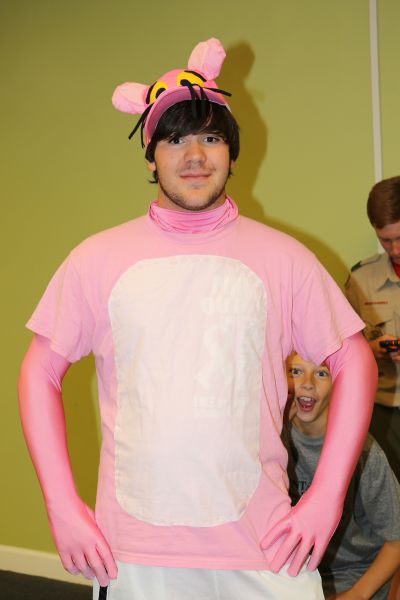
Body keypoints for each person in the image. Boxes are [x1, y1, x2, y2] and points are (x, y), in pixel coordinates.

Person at [18, 38, 377, 600]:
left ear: (231, 153)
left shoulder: (284, 258)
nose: (194, 155)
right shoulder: (96, 258)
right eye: (174, 139)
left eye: (211, 138)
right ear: (150, 156)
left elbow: (353, 359)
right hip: (136, 553)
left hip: (266, 546)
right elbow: (39, 370)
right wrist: (61, 504)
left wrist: (327, 495)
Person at [283, 352, 400, 600]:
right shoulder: (271, 440)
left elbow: (397, 539)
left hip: (356, 575)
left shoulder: (364, 453)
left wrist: (357, 594)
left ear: (339, 383)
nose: (307, 383)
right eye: (296, 371)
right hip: (294, 574)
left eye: (321, 373)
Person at [345, 176, 400, 481]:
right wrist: (371, 349)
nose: (394, 248)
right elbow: (341, 346)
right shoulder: (360, 279)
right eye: (385, 240)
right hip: (383, 410)